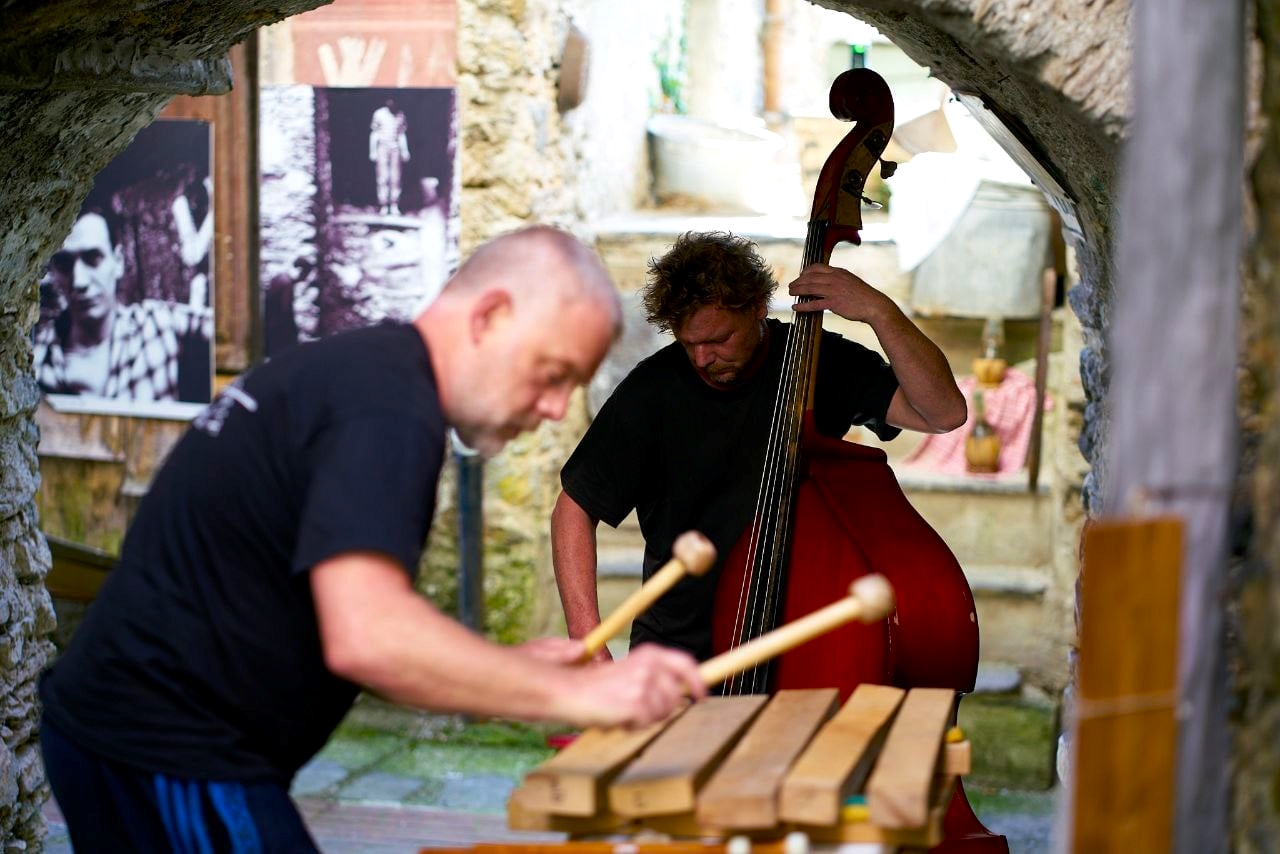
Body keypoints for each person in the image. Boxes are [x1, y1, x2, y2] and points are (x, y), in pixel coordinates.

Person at [39, 225, 707, 852]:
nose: (557, 409)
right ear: (491, 316)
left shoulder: (369, 379)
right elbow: (368, 636)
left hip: (133, 738)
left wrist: (513, 669)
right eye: (554, 372)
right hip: (165, 747)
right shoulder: (389, 409)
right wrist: (581, 696)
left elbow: (356, 630)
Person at [551, 231, 967, 663]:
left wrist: (880, 312)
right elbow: (574, 507)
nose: (702, 358)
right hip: (678, 655)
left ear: (757, 307)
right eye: (689, 343)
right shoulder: (651, 390)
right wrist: (587, 639)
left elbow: (944, 413)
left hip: (801, 648)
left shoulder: (816, 362)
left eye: (719, 339)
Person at [33, 208, 213, 402]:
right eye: (64, 263)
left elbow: (228, 332)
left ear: (118, 261)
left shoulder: (157, 324)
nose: (79, 281)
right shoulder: (37, 354)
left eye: (93, 259)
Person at [369, 97, 410, 216]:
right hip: (382, 148)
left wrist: (405, 150)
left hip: (395, 148)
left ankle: (394, 204)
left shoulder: (400, 115)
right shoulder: (378, 114)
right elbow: (374, 133)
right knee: (383, 177)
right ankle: (383, 205)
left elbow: (401, 134)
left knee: (395, 177)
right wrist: (372, 151)